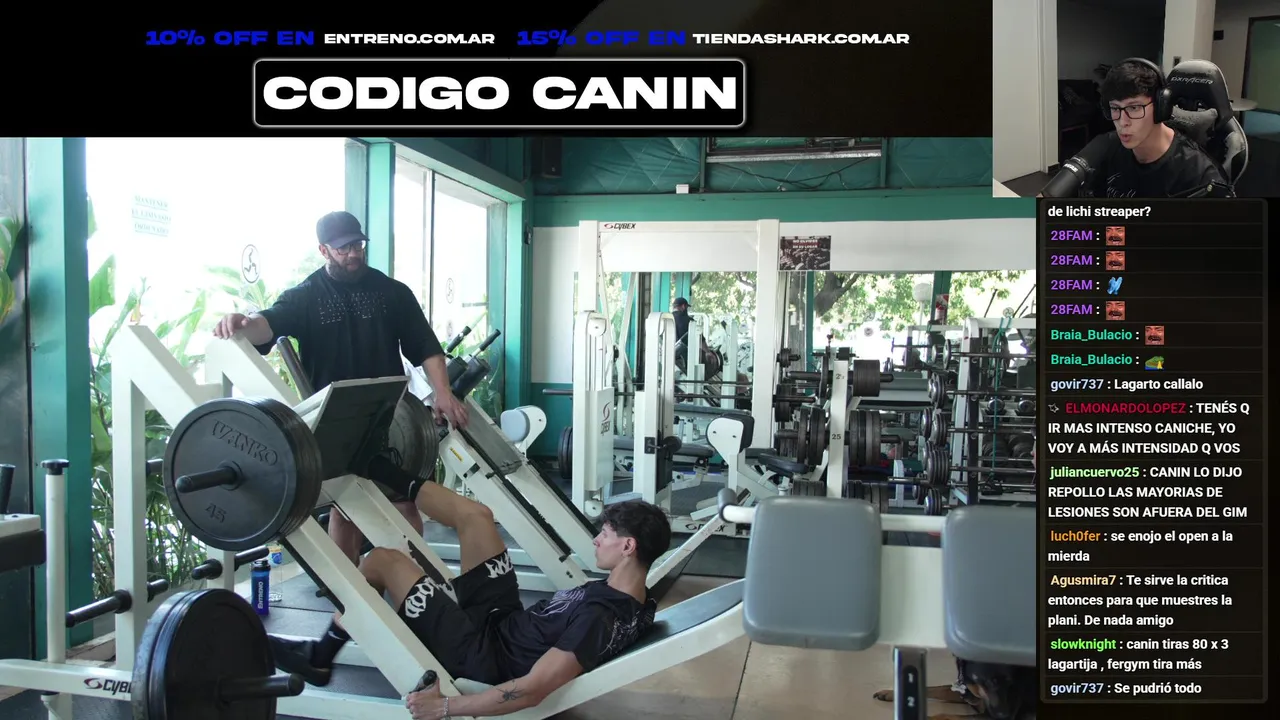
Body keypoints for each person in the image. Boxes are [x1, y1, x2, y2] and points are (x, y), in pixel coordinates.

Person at [268, 473, 671, 719]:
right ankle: (380, 465)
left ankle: (321, 654)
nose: (597, 539)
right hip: (501, 620)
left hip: (479, 654)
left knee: (381, 561)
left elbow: (533, 689)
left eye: (605, 534)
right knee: (477, 516)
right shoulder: (635, 599)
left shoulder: (600, 618)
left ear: (628, 547)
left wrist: (443, 707)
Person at [212, 210, 470, 564]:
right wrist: (242, 323)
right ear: (323, 250)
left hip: (389, 417)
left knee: (403, 502)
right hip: (336, 419)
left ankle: (413, 585)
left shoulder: (392, 292)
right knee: (345, 505)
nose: (353, 254)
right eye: (343, 248)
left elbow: (426, 346)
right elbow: (267, 325)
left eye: (357, 246)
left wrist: (443, 393)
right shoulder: (305, 296)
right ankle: (349, 594)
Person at [1040, 59, 1226, 198]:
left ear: (1161, 108)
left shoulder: (1197, 174)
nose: (1123, 122)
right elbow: (1049, 198)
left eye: (1134, 107)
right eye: (1115, 108)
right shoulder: (1107, 144)